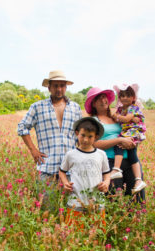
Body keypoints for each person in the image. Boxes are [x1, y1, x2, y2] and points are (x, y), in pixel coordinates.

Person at [17, 70, 82, 210]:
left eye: (62, 86)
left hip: (71, 169)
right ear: (49, 87)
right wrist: (33, 150)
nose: (59, 89)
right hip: (47, 167)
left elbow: (80, 135)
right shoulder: (37, 107)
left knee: (72, 208)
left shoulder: (75, 108)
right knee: (48, 210)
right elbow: (22, 127)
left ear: (66, 87)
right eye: (56, 86)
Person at [84, 87, 146, 201]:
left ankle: (136, 218)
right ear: (93, 104)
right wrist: (119, 140)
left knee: (137, 198)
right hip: (110, 163)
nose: (103, 101)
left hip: (130, 160)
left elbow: (132, 129)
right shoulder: (93, 121)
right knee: (113, 198)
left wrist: (132, 143)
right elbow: (94, 144)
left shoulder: (116, 117)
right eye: (99, 99)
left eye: (104, 98)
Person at [59, 117, 110, 229]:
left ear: (96, 136)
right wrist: (65, 183)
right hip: (76, 202)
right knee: (73, 233)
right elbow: (62, 171)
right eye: (83, 135)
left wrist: (106, 183)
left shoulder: (101, 154)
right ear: (77, 133)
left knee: (97, 232)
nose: (85, 140)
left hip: (97, 201)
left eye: (90, 136)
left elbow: (107, 173)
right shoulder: (71, 154)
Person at [110, 83, 147, 194]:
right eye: (122, 95)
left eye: (128, 95)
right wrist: (116, 116)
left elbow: (126, 119)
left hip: (133, 133)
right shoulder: (120, 109)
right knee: (132, 155)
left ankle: (116, 169)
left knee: (119, 144)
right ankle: (138, 179)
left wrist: (118, 117)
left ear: (133, 97)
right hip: (128, 132)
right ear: (119, 97)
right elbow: (114, 116)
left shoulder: (133, 108)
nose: (125, 98)